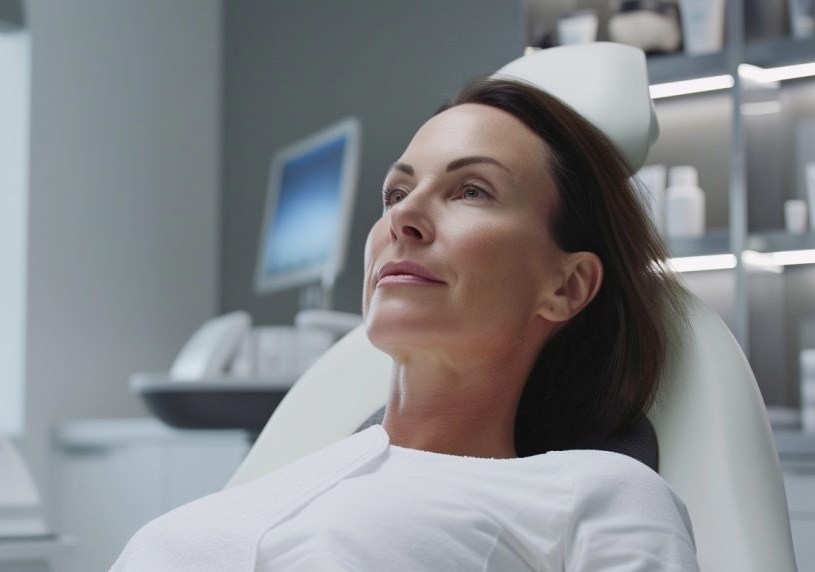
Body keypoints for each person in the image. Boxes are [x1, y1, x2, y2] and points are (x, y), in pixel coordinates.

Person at [110, 77, 699, 571]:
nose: (405, 217)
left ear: (566, 287)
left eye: (471, 190)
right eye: (395, 193)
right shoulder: (284, 482)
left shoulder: (598, 494)